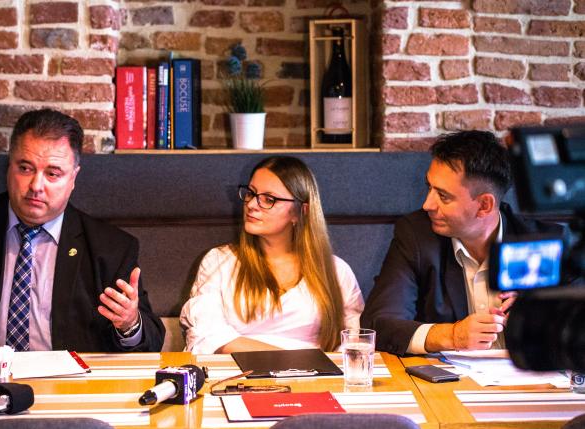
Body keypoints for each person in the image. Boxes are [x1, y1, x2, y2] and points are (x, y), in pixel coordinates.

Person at [0, 109, 165, 354]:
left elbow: (151, 341)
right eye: (25, 168)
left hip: (71, 385)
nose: (36, 185)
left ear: (73, 178)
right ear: (8, 167)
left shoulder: (111, 247)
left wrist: (129, 323)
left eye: (53, 174)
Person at [360, 130, 562, 356]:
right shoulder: (416, 236)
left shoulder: (547, 244)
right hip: (445, 378)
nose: (427, 204)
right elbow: (378, 323)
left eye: (443, 196)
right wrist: (452, 335)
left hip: (530, 376)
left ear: (484, 205)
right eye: (429, 187)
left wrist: (541, 314)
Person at [180, 156, 364, 354]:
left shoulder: (336, 271)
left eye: (269, 199)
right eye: (251, 193)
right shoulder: (219, 262)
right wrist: (294, 361)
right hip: (237, 372)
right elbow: (206, 335)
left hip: (315, 374)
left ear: (300, 212)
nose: (252, 204)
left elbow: (352, 344)